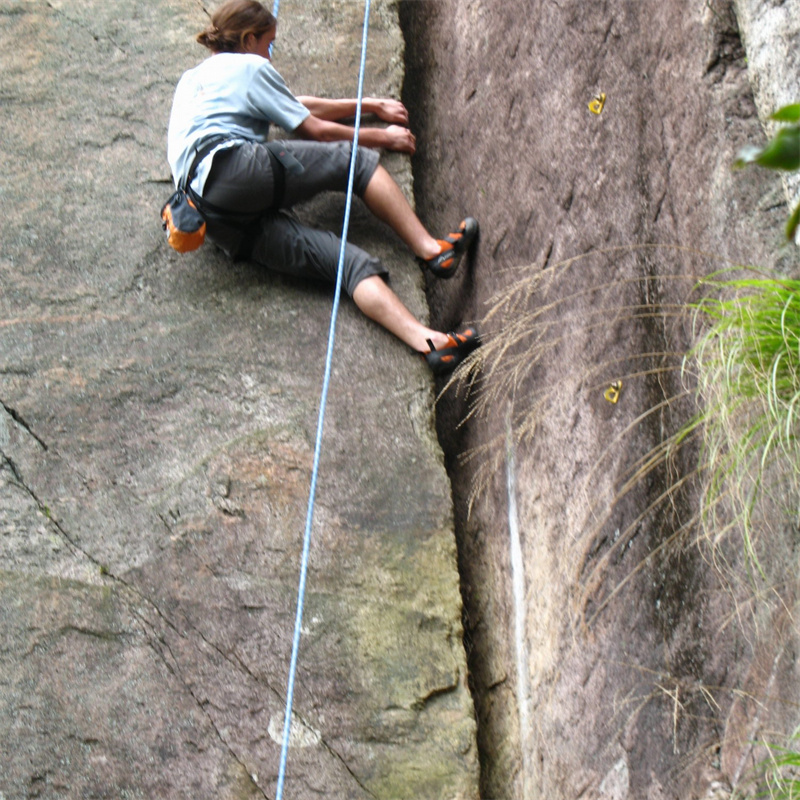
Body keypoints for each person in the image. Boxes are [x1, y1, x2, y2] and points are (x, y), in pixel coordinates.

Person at [167, 0, 480, 374]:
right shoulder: (249, 66)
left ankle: (432, 343)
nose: (270, 54)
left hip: (211, 218)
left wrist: (369, 105)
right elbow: (308, 127)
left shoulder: (191, 81)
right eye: (269, 44)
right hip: (235, 168)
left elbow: (292, 105)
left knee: (346, 265)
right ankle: (433, 251)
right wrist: (378, 137)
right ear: (249, 39)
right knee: (352, 161)